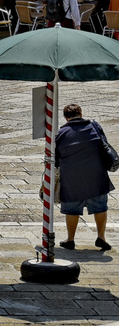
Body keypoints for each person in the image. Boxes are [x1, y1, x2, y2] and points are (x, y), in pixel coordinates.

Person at [56, 102, 115, 251]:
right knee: (100, 207)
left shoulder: (61, 133)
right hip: (96, 175)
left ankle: (70, 239)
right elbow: (104, 145)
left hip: (71, 177)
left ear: (65, 117)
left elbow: (56, 157)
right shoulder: (94, 126)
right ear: (81, 114)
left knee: (71, 209)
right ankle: (101, 237)